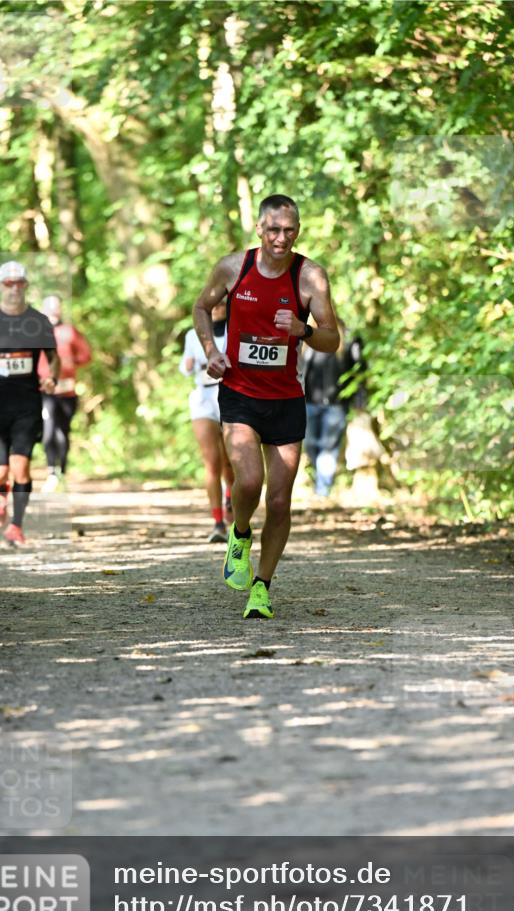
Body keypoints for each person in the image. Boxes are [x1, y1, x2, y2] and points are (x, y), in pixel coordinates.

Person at [193, 194, 339, 619]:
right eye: (273, 229)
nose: (281, 237)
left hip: (286, 399)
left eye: (289, 230)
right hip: (240, 394)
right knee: (250, 480)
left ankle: (262, 586)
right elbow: (201, 307)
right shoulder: (233, 267)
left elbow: (332, 339)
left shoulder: (310, 276)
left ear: (298, 231)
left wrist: (303, 330)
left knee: (278, 501)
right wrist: (211, 351)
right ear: (259, 228)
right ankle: (240, 533)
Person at [0, 261, 59, 546]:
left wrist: (51, 377)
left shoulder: (38, 321)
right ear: (0, 286)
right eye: (8, 283)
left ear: (26, 285)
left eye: (19, 283)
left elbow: (53, 357)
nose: (14, 288)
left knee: (21, 468)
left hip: (27, 403)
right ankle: (0, 495)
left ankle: (16, 525)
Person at [180, 300, 234, 542]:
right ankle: (218, 523)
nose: (217, 308)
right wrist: (188, 365)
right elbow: (185, 366)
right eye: (213, 304)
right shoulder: (194, 334)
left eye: (222, 303)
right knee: (211, 462)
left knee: (230, 462)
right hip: (203, 399)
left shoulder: (235, 329)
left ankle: (231, 500)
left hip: (229, 396)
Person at [38, 295, 91, 492]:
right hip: (46, 391)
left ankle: (63, 471)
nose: (53, 310)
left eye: (56, 306)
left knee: (63, 431)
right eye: (49, 307)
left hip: (67, 391)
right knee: (48, 430)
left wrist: (70, 363)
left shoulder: (69, 331)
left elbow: (85, 355)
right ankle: (51, 471)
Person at [303, 323, 362, 498]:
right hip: (309, 402)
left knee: (328, 448)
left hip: (336, 404)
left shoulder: (348, 337)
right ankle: (319, 482)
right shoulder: (306, 335)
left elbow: (358, 370)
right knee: (310, 445)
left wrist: (359, 399)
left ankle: (322, 490)